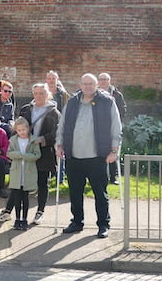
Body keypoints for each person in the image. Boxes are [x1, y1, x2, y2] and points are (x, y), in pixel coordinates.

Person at [56, 73, 122, 238]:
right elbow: (62, 124)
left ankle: (103, 225)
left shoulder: (107, 102)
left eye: (91, 84)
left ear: (96, 85)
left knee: (100, 193)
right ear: (80, 84)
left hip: (97, 156)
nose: (87, 87)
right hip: (74, 156)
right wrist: (59, 144)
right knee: (75, 192)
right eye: (84, 84)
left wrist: (114, 150)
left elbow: (116, 126)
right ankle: (77, 222)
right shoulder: (72, 102)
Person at [19, 83, 60, 224]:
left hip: (45, 152)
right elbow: (17, 127)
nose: (38, 96)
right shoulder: (26, 110)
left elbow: (57, 133)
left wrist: (42, 140)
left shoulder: (54, 113)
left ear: (47, 94)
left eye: (42, 93)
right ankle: (19, 212)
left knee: (43, 182)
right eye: (36, 93)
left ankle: (40, 211)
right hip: (27, 150)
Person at [7, 117, 41, 231]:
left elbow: (37, 155)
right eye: (19, 130)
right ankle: (17, 219)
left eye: (23, 129)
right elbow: (9, 153)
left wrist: (25, 156)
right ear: (16, 130)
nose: (22, 132)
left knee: (25, 197)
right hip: (17, 172)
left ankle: (24, 219)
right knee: (17, 196)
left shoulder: (33, 140)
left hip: (28, 172)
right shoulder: (13, 140)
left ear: (28, 128)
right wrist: (18, 155)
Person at [98, 72, 127, 185]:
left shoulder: (116, 94)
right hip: (98, 129)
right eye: (101, 79)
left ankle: (113, 177)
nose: (103, 81)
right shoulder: (93, 94)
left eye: (105, 79)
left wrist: (116, 121)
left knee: (113, 151)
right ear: (98, 81)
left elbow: (122, 109)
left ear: (109, 81)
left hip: (112, 129)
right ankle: (98, 176)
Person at [45, 70, 70, 183]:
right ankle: (49, 175)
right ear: (46, 80)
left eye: (53, 78)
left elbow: (67, 110)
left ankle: (60, 178)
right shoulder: (42, 93)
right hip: (46, 127)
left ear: (57, 80)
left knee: (60, 151)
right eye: (49, 78)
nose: (51, 81)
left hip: (60, 126)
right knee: (48, 152)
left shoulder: (63, 94)